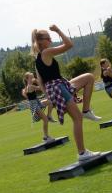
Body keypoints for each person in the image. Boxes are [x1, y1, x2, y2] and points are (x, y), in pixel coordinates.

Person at [31, 25, 102, 160]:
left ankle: (86, 110)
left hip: (59, 85)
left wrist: (49, 96)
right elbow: (69, 44)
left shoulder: (38, 58)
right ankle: (82, 153)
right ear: (41, 41)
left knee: (89, 77)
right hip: (58, 87)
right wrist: (57, 30)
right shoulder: (46, 52)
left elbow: (40, 82)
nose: (51, 40)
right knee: (77, 118)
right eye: (48, 38)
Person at [22, 72, 52, 142]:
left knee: (50, 102)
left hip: (36, 103)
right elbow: (41, 88)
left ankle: (49, 116)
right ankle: (45, 137)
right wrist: (37, 81)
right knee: (45, 120)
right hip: (35, 105)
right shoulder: (30, 86)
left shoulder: (27, 87)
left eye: (33, 77)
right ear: (27, 79)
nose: (33, 78)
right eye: (31, 77)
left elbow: (27, 96)